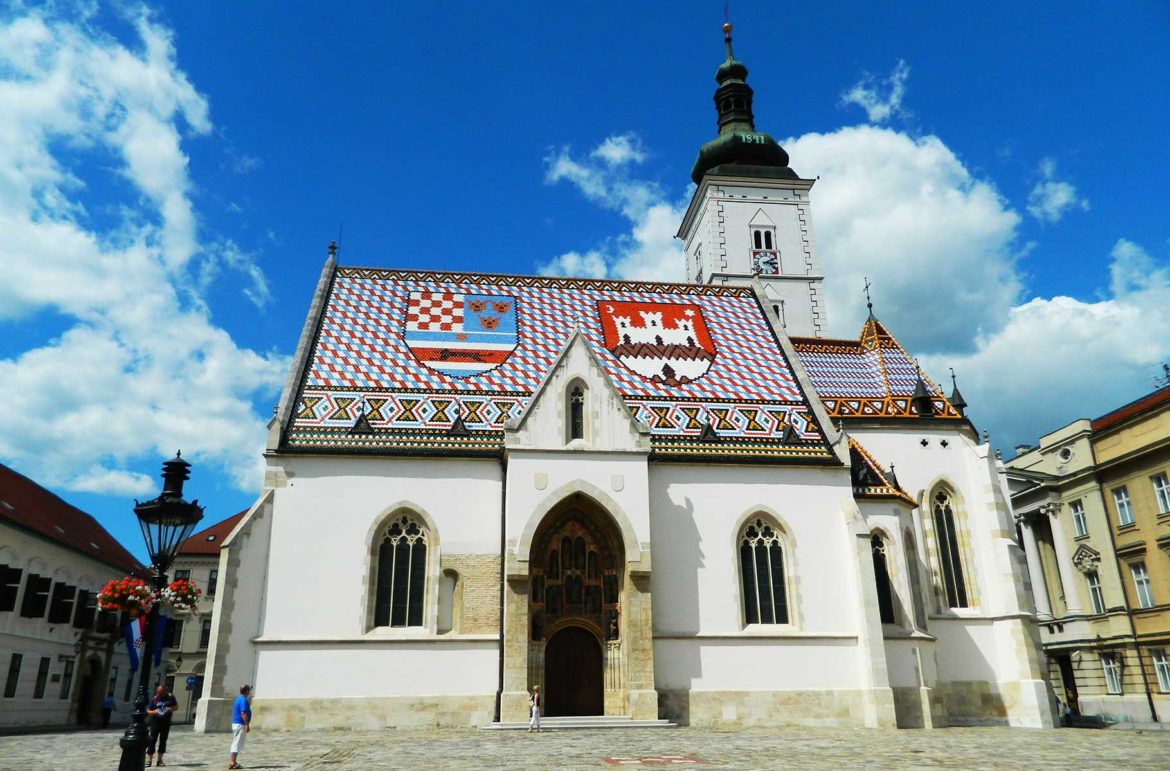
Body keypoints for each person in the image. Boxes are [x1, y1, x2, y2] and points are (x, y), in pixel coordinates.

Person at [145, 684, 178, 767]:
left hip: (165, 723)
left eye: (161, 693)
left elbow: (176, 707)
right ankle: (149, 760)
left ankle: (159, 760)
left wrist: (171, 709)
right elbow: (148, 710)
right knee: (152, 740)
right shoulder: (155, 698)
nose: (160, 694)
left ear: (165, 691)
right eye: (158, 692)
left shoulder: (171, 697)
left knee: (163, 741)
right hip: (155, 722)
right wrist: (154, 712)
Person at [229, 684, 252, 769]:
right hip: (239, 724)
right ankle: (232, 762)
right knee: (237, 743)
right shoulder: (243, 700)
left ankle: (233, 761)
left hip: (236, 724)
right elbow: (243, 713)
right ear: (246, 691)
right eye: (249, 690)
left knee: (237, 742)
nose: (249, 692)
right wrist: (247, 724)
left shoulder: (238, 699)